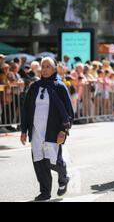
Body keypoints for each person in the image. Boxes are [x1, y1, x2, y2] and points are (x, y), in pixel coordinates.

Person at [20, 57, 74, 201]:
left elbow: (68, 111)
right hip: (36, 131)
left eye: (47, 66)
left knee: (53, 161)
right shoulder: (35, 86)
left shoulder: (60, 86)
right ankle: (45, 192)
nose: (44, 69)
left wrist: (64, 131)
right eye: (42, 66)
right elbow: (26, 109)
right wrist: (24, 130)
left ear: (55, 68)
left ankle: (64, 178)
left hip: (53, 132)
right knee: (39, 162)